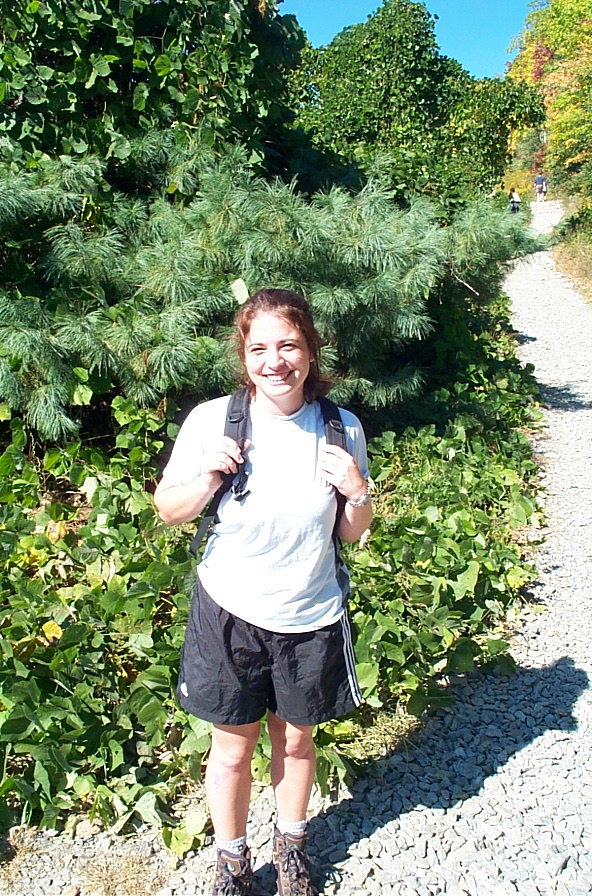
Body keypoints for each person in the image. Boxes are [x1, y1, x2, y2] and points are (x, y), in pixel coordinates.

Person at [154, 289, 372, 896]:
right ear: (243, 355)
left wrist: (356, 489)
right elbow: (169, 510)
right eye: (260, 348)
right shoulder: (213, 421)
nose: (275, 361)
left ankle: (292, 845)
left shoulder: (340, 426)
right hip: (230, 612)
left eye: (289, 346)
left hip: (312, 614)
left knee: (297, 741)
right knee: (230, 748)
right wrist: (207, 478)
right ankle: (231, 859)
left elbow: (353, 534)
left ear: (310, 351)